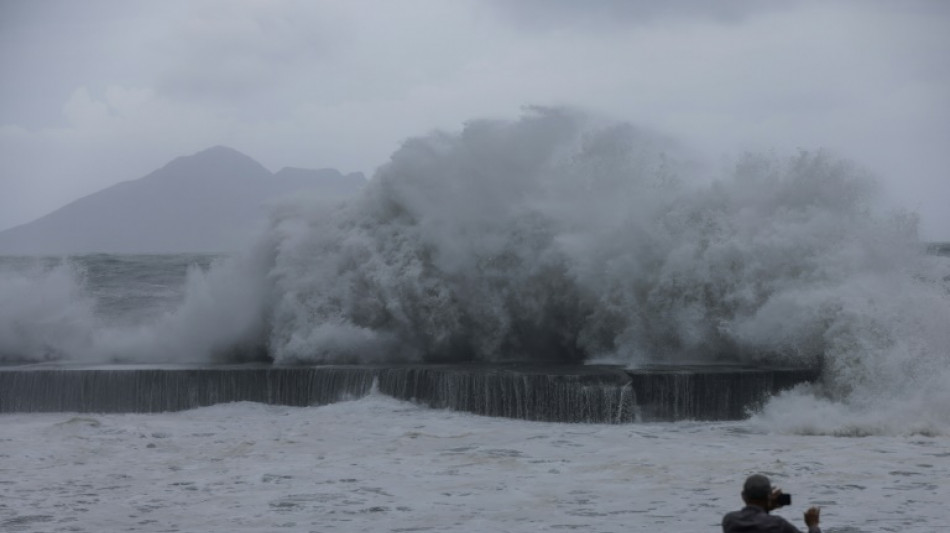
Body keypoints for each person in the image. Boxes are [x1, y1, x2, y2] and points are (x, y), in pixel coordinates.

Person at [722, 474, 821, 533]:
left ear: (743, 496)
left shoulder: (730, 520)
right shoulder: (777, 524)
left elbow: (755, 521)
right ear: (768, 496)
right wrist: (813, 525)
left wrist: (766, 507)